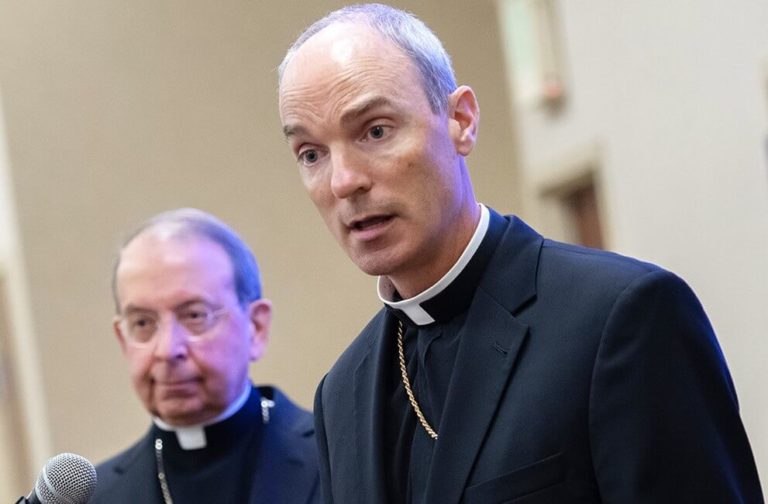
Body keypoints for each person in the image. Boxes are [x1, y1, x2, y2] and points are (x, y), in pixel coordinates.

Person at [277, 4, 763, 503]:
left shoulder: (619, 318)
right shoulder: (340, 395)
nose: (343, 181)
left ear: (460, 121)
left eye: (375, 131)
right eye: (311, 154)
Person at [92, 208, 319, 503]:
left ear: (256, 327)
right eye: (143, 323)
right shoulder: (99, 497)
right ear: (123, 340)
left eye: (195, 315)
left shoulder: (339, 456)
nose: (167, 350)